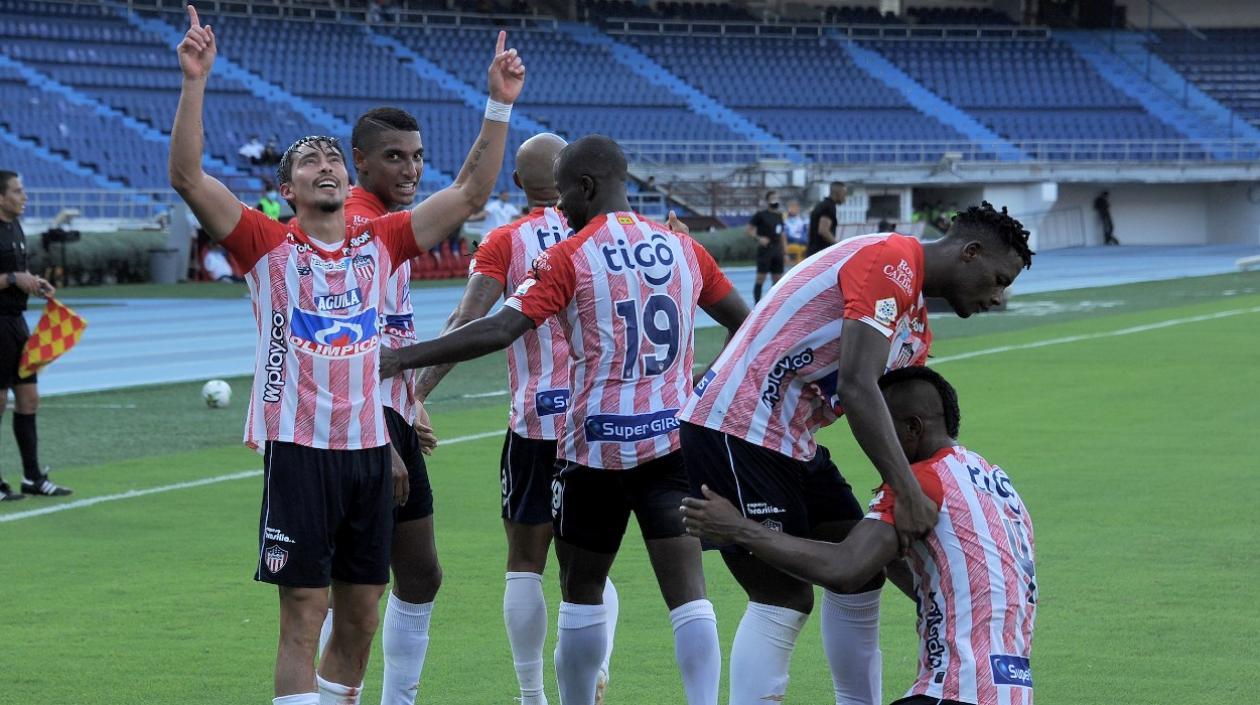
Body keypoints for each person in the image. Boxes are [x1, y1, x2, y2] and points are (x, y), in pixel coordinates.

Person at [167, 8, 524, 704]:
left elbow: (472, 193)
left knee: (361, 612)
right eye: (309, 160)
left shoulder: (382, 240)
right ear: (289, 189)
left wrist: (498, 105)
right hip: (300, 449)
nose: (325, 164)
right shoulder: (265, 245)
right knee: (305, 612)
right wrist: (194, 82)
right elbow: (186, 177)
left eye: (332, 156)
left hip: (367, 451)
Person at [379, 135, 750, 705]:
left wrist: (402, 358)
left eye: (568, 199)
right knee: (689, 594)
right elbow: (746, 328)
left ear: (585, 187)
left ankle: (550, 697)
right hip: (672, 446)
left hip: (592, 450)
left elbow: (497, 327)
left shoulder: (570, 255)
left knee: (580, 590)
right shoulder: (683, 248)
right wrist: (702, 389)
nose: (562, 212)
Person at [677, 202, 1033, 705]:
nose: (998, 296)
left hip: (792, 441)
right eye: (998, 278)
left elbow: (900, 428)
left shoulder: (915, 334)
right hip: (736, 424)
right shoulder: (892, 258)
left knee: (861, 572)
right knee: (783, 596)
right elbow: (857, 385)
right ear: (970, 253)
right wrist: (907, 495)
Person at [682, 365, 1037, 705]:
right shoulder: (995, 482)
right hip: (1012, 690)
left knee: (779, 599)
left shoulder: (920, 484)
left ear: (913, 428)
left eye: (878, 424)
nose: (870, 438)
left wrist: (740, 528)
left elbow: (845, 568)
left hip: (953, 695)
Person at [407, 132, 618, 705]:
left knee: (525, 563)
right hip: (601, 421)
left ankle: (531, 695)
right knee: (591, 564)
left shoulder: (508, 239)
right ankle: (595, 677)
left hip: (535, 421)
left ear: (518, 184)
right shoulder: (614, 235)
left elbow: (466, 319)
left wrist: (417, 392)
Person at [307, 106, 443, 705]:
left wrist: (412, 402)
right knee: (359, 590)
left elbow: (386, 336)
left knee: (415, 575)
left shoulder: (385, 222)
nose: (410, 168)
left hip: (391, 414)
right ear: (357, 160)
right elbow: (342, 344)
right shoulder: (357, 227)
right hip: (363, 426)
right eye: (394, 156)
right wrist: (381, 437)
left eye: (416, 155)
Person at [0, 170, 67, 502]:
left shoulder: (16, 227)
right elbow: (9, 276)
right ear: (0, 197)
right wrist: (13, 278)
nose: (23, 197)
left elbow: (14, 275)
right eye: (17, 191)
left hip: (16, 322)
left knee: (28, 400)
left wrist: (33, 283)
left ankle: (32, 477)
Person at [746, 190, 786, 302]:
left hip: (777, 251)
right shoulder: (760, 215)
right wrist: (759, 238)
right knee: (760, 278)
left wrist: (785, 251)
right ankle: (757, 306)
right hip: (765, 251)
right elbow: (749, 230)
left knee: (778, 280)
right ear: (767, 201)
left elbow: (782, 234)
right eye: (773, 198)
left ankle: (773, 305)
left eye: (777, 198)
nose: (775, 200)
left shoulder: (779, 216)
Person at [808, 180, 846, 256]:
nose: (844, 197)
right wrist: (838, 246)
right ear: (838, 192)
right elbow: (823, 231)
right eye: (844, 193)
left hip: (813, 251)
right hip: (821, 253)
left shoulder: (821, 205)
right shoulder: (829, 206)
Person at [783, 199, 808, 267]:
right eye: (792, 207)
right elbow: (785, 236)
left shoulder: (802, 220)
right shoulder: (784, 220)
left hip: (802, 247)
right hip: (791, 248)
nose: (794, 209)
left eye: (796, 207)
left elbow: (805, 234)